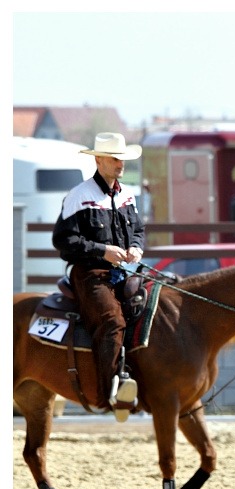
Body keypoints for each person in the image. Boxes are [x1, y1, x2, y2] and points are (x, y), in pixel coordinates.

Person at [52, 132, 145, 423]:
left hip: (122, 272)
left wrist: (136, 249)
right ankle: (111, 393)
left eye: (123, 160)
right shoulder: (79, 196)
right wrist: (102, 251)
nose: (121, 165)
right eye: (116, 159)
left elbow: (139, 231)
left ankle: (136, 380)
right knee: (112, 321)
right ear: (99, 160)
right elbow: (63, 240)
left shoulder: (127, 195)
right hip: (89, 274)